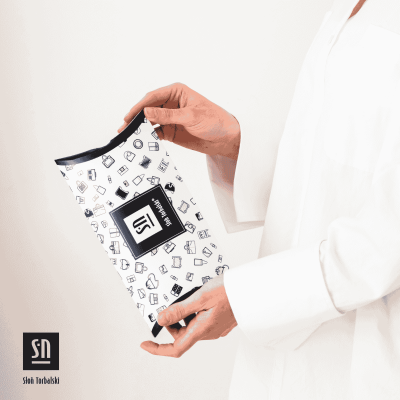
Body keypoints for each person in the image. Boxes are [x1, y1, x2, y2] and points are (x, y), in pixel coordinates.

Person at [118, 0, 400, 398]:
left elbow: (386, 241)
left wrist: (248, 300)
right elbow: (331, 179)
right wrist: (234, 143)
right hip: (272, 361)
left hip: (360, 364)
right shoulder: (345, 12)